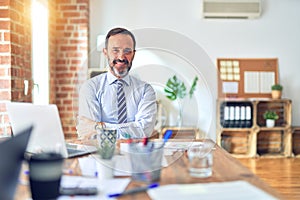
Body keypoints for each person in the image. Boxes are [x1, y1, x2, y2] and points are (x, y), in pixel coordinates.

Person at [77, 27, 157, 140]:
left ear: (133, 54)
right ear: (105, 53)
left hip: (135, 155)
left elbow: (145, 130)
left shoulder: (145, 90)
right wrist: (133, 129)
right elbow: (90, 135)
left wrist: (100, 126)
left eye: (127, 51)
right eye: (115, 50)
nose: (121, 57)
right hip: (100, 155)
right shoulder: (90, 87)